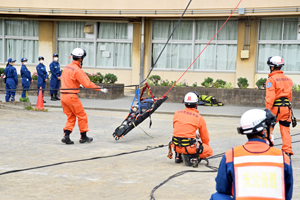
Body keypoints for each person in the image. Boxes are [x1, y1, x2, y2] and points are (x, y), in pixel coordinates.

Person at [210, 109, 293, 200]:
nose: (272, 133)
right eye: (271, 129)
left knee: (218, 197)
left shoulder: (231, 155)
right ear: (263, 131)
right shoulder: (283, 158)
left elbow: (222, 188)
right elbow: (287, 194)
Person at [60, 48, 108, 145]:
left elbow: (68, 79)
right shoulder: (78, 70)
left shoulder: (67, 67)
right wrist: (100, 89)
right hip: (71, 97)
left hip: (63, 96)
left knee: (71, 116)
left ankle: (66, 136)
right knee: (82, 116)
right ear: (80, 59)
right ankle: (83, 137)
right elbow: (88, 84)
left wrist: (77, 84)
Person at [171, 92, 213, 166]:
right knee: (209, 151)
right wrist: (204, 147)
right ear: (197, 104)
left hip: (175, 145)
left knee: (180, 137)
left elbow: (177, 129)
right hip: (190, 147)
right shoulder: (199, 117)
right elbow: (204, 136)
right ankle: (191, 157)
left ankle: (178, 155)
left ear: (184, 104)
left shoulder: (177, 113)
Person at [265, 56, 293, 157]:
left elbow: (270, 97)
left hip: (275, 108)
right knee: (285, 130)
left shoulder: (271, 80)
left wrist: (268, 110)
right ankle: (287, 151)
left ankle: (268, 148)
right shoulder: (288, 80)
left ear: (272, 67)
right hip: (286, 108)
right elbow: (290, 96)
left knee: (269, 128)